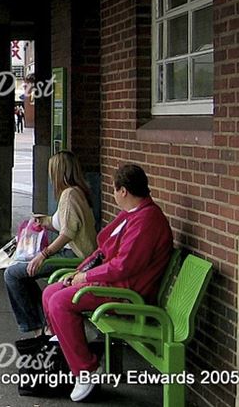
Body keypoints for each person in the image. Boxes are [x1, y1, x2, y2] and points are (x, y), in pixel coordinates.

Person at [41, 163, 173, 402]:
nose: (114, 195)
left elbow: (125, 266)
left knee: (60, 302)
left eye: (114, 190)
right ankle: (69, 345)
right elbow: (103, 250)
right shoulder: (133, 215)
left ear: (123, 191)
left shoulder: (147, 220)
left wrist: (86, 277)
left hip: (127, 290)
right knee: (50, 291)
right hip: (114, 282)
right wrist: (78, 273)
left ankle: (86, 370)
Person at [3, 151, 97, 336]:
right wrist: (44, 221)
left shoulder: (69, 195)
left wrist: (43, 254)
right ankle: (44, 323)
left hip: (75, 257)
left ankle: (39, 326)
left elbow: (68, 232)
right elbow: (66, 224)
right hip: (76, 254)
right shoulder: (77, 192)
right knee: (21, 273)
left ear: (59, 172)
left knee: (12, 274)